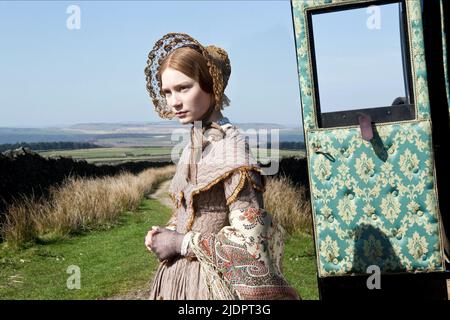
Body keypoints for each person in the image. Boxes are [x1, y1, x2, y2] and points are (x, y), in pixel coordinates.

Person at [143, 32, 300, 300]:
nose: (174, 102)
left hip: (212, 288)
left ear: (211, 85)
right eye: (168, 92)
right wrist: (164, 232)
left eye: (184, 88)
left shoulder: (232, 150)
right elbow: (192, 213)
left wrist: (179, 242)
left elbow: (252, 246)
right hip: (179, 283)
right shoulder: (195, 144)